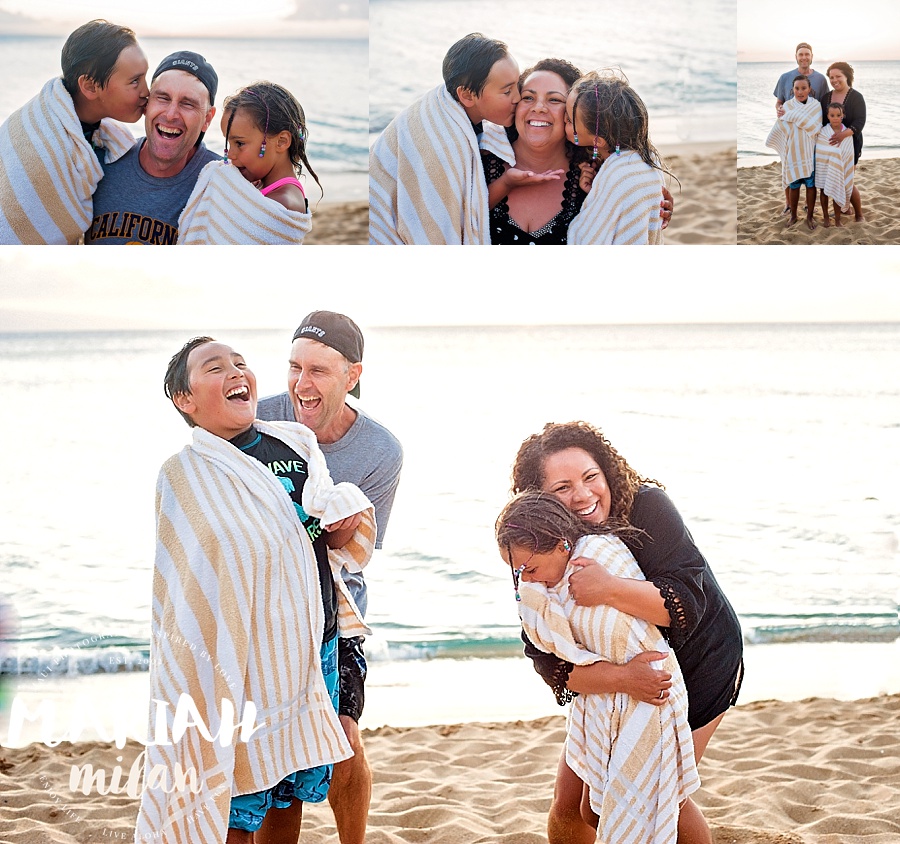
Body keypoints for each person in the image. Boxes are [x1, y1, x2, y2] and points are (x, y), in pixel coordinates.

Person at [137, 336, 375, 844]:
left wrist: (342, 523)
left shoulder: (293, 443)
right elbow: (186, 582)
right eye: (215, 367)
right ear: (186, 399)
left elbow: (317, 532)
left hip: (312, 643)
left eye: (240, 363)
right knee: (237, 799)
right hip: (240, 659)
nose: (235, 372)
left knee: (286, 786)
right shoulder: (184, 475)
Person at [512, 421, 743, 844]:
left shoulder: (646, 506)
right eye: (562, 488)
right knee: (572, 802)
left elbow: (688, 603)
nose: (582, 496)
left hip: (701, 657)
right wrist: (622, 679)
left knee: (664, 797)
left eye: (590, 478)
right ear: (540, 498)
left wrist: (608, 588)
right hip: (619, 673)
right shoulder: (536, 542)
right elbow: (545, 655)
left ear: (606, 472)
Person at [257, 311, 403, 844]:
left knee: (343, 739)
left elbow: (357, 555)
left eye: (318, 370)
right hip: (264, 610)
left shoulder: (380, 450)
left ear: (353, 374)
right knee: (278, 762)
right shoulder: (257, 419)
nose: (301, 384)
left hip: (335, 612)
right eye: (294, 367)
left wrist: (335, 530)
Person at [496, 492, 699, 844]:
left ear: (562, 546)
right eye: (516, 572)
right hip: (617, 690)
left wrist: (603, 593)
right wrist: (620, 677)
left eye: (530, 569)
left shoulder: (596, 559)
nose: (525, 580)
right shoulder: (551, 583)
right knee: (591, 809)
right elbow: (557, 660)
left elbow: (619, 635)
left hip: (654, 688)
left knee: (667, 802)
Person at [0, 19, 146, 244]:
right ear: (89, 87)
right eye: (135, 81)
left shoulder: (89, 128)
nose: (148, 91)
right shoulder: (42, 151)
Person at [369, 32, 520, 244]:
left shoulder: (448, 103)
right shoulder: (443, 145)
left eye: (517, 85)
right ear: (466, 95)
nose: (518, 98)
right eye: (507, 92)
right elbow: (435, 232)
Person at [84, 50, 219, 244]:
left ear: (207, 119)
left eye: (187, 104)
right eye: (163, 98)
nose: (171, 114)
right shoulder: (101, 161)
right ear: (146, 105)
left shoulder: (221, 182)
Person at [177, 81, 321, 244]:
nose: (230, 155)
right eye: (228, 144)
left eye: (239, 143)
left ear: (281, 141)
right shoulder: (260, 185)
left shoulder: (283, 203)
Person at [565, 70, 674, 244]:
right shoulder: (643, 159)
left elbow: (588, 238)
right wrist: (597, 193)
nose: (563, 118)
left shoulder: (622, 172)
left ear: (597, 141)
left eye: (569, 121)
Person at [773, 43, 828, 214]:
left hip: (810, 134)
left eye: (807, 54)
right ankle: (789, 203)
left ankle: (807, 203)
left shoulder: (820, 79)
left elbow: (822, 104)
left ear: (812, 56)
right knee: (788, 167)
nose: (804, 57)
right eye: (800, 54)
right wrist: (779, 110)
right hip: (791, 132)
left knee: (810, 171)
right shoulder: (785, 77)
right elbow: (780, 101)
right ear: (796, 57)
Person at [765, 75, 820, 231]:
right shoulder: (787, 106)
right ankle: (794, 215)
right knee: (794, 184)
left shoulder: (816, 106)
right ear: (792, 90)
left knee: (811, 185)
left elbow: (815, 127)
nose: (800, 91)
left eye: (804, 88)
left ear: (810, 89)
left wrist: (791, 116)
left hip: (809, 151)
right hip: (793, 151)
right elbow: (781, 128)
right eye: (797, 88)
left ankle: (809, 216)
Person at [819, 62, 865, 222]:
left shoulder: (856, 97)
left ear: (847, 76)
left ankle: (859, 215)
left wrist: (843, 135)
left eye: (838, 76)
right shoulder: (826, 98)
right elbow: (821, 121)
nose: (834, 80)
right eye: (831, 77)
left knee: (847, 179)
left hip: (850, 144)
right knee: (833, 176)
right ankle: (845, 210)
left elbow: (860, 121)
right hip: (830, 146)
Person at [815, 103, 854, 228]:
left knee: (839, 188)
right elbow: (819, 150)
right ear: (828, 116)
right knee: (823, 190)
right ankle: (826, 217)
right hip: (825, 167)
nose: (835, 118)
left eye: (838, 115)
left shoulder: (846, 133)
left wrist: (838, 157)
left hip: (840, 168)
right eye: (832, 115)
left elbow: (848, 153)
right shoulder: (823, 132)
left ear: (843, 116)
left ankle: (837, 219)